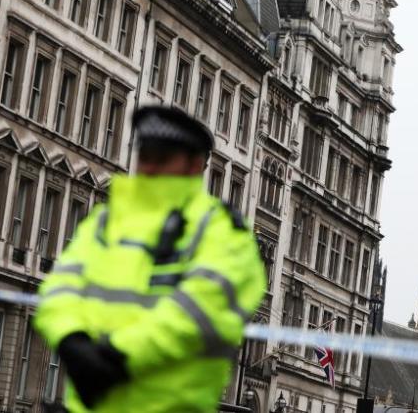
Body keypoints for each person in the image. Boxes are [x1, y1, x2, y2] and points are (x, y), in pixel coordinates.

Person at [34, 105, 267, 413]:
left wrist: (115, 357)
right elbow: (60, 286)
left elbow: (199, 313)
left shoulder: (223, 232)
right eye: (145, 156)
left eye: (163, 159)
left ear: (195, 166)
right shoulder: (108, 220)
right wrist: (70, 339)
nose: (150, 168)